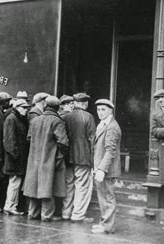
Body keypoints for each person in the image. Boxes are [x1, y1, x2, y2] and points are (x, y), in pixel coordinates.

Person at [23, 96, 68, 221]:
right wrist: (59, 157)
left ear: (45, 106)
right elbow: (63, 143)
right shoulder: (57, 121)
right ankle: (46, 215)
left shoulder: (35, 120)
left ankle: (32, 213)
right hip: (50, 159)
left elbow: (29, 138)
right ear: (57, 108)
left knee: (34, 187)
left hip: (34, 159)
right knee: (48, 188)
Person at [62, 93, 96, 222]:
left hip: (68, 157)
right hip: (83, 157)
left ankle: (66, 213)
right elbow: (92, 139)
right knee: (82, 186)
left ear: (75, 103)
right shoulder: (88, 117)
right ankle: (77, 214)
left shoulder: (66, 117)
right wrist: (93, 161)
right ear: (85, 103)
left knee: (69, 185)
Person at [91, 99, 122, 234]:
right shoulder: (104, 124)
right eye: (98, 110)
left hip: (107, 169)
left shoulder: (112, 127)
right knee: (103, 196)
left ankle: (107, 225)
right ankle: (104, 223)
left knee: (108, 197)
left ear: (110, 110)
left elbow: (110, 150)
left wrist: (102, 169)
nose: (100, 112)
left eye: (103, 109)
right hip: (101, 167)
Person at [3, 98, 30, 215]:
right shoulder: (12, 119)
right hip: (14, 159)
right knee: (14, 183)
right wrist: (16, 155)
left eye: (26, 108)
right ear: (17, 108)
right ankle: (10, 206)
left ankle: (11, 205)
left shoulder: (15, 118)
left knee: (15, 183)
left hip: (16, 158)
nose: (25, 110)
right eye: (23, 108)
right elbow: (8, 141)